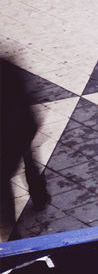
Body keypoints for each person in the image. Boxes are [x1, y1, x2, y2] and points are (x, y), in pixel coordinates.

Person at [1, 56, 50, 241]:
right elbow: (23, 93)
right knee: (29, 159)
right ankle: (40, 197)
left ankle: (10, 228)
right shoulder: (5, 65)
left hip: (7, 134)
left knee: (3, 180)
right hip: (22, 125)